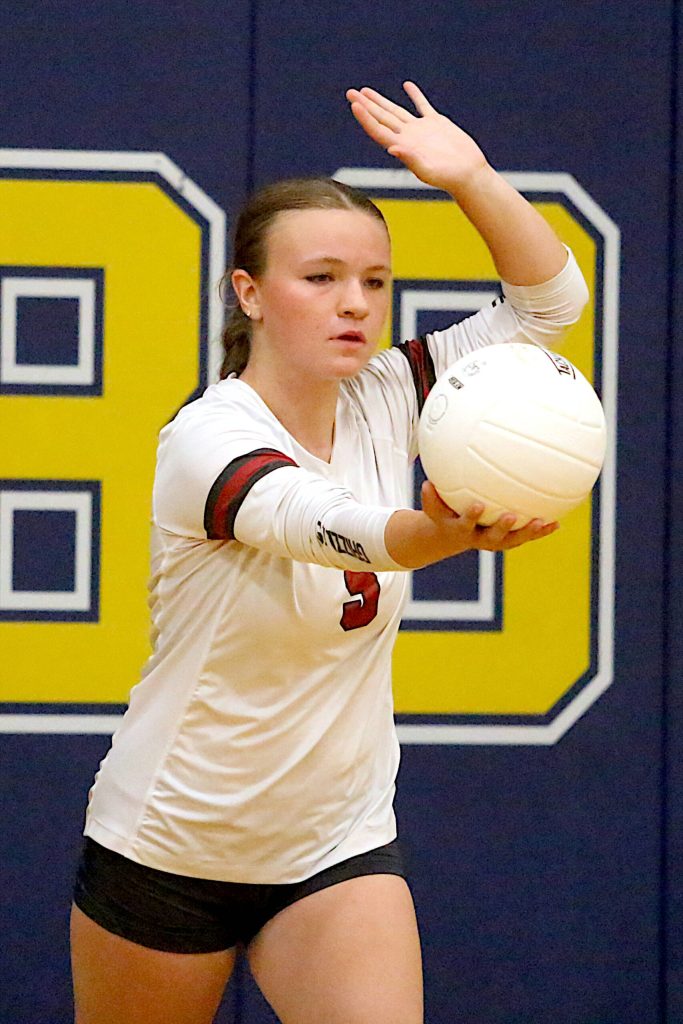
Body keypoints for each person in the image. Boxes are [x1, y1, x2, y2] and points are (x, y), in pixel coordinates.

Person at [70, 82, 588, 1024]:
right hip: (172, 847)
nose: (355, 304)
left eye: (374, 281)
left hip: (333, 844)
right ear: (249, 293)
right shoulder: (208, 437)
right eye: (320, 279)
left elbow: (551, 304)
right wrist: (444, 533)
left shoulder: (392, 392)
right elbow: (328, 525)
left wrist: (468, 177)